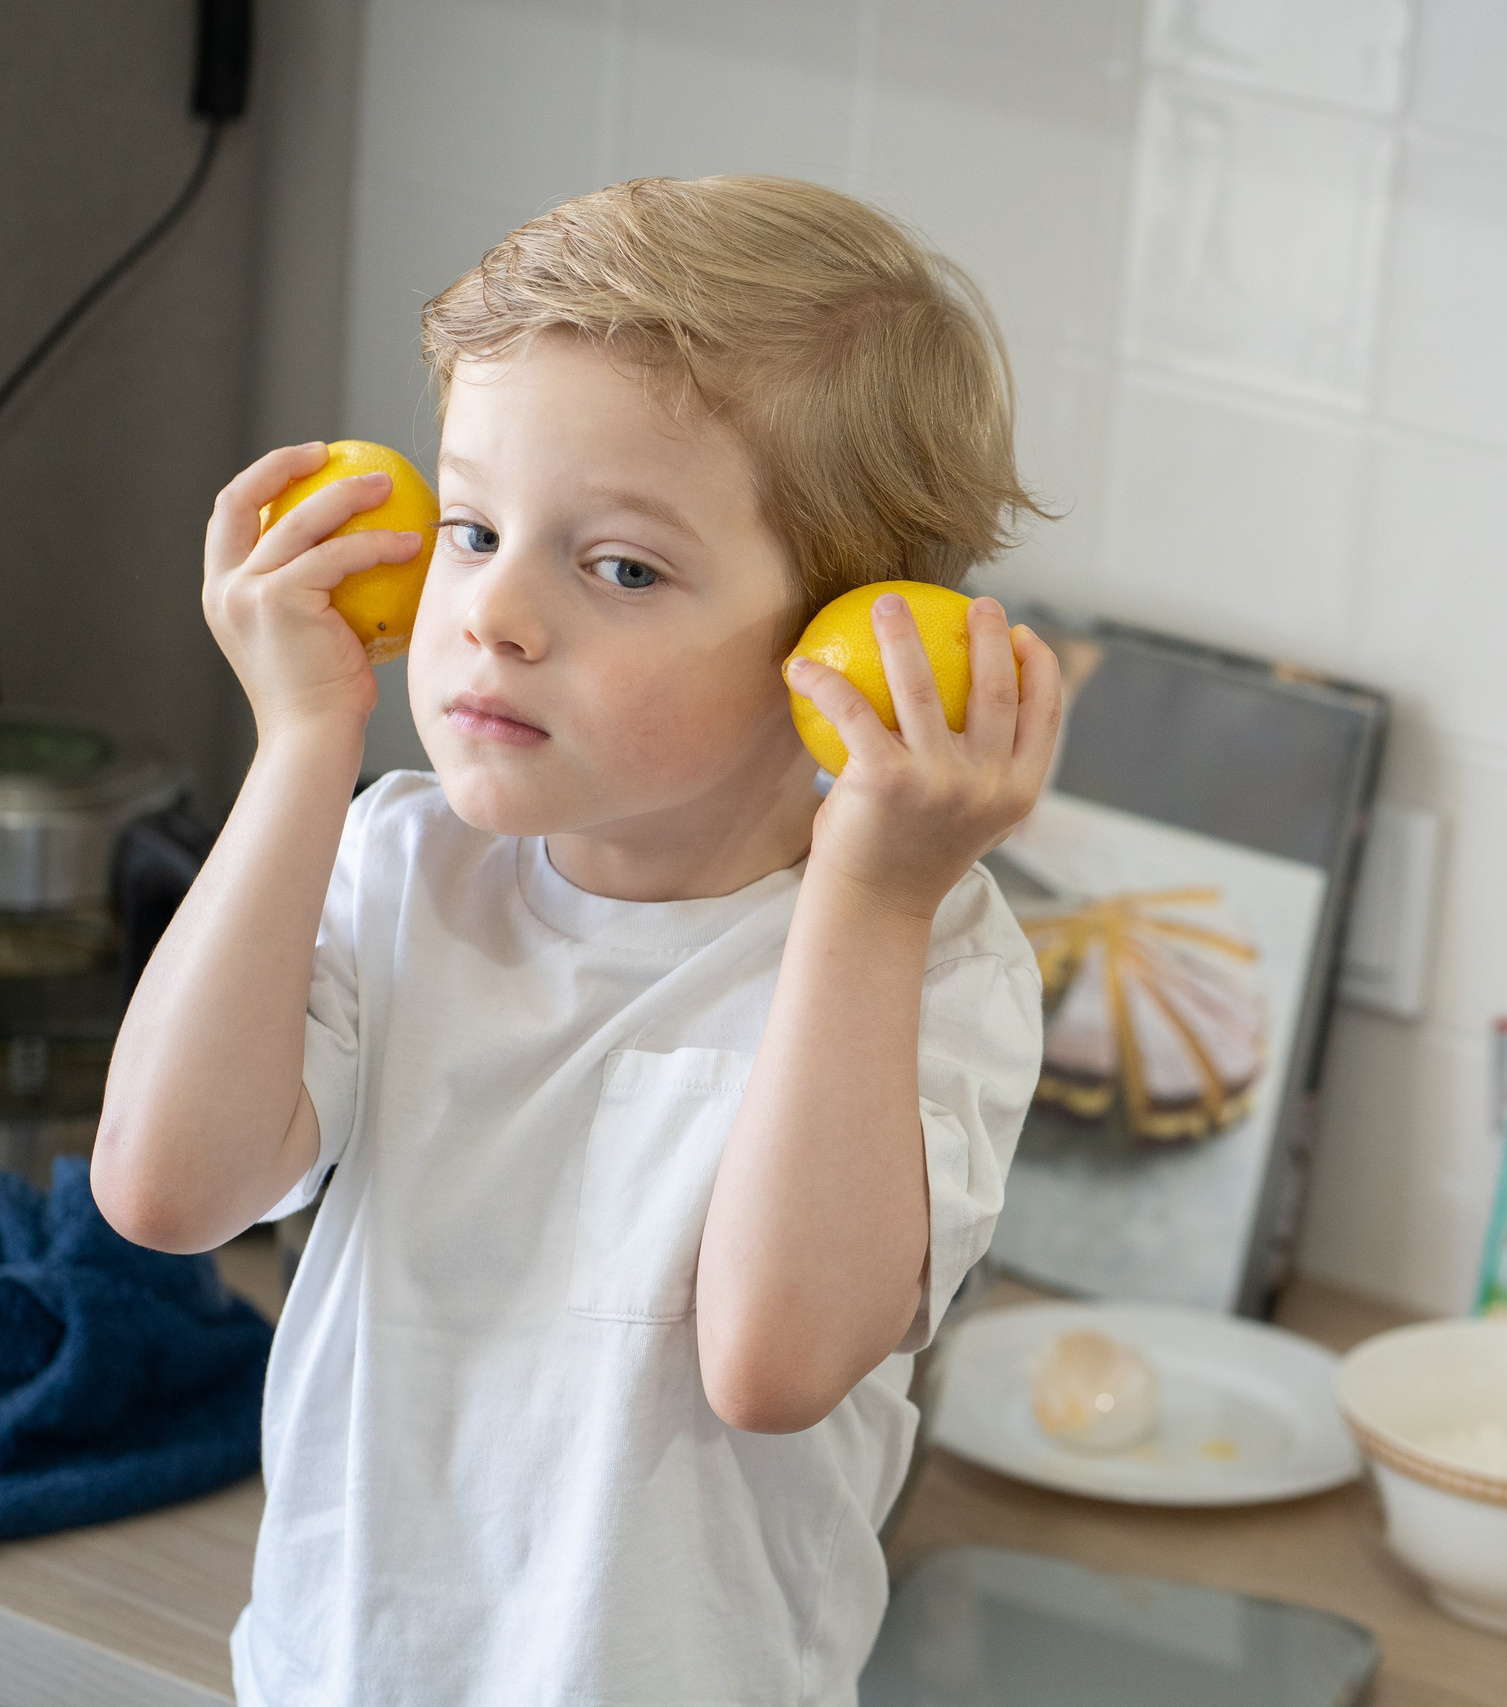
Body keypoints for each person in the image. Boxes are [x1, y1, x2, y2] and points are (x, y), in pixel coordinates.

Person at [91, 176, 1063, 1704]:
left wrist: (872, 897)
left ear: (844, 646)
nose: (496, 615)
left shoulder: (924, 953)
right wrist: (299, 743)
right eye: (473, 528)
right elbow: (165, 1189)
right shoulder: (401, 860)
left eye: (620, 567)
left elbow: (777, 1359)